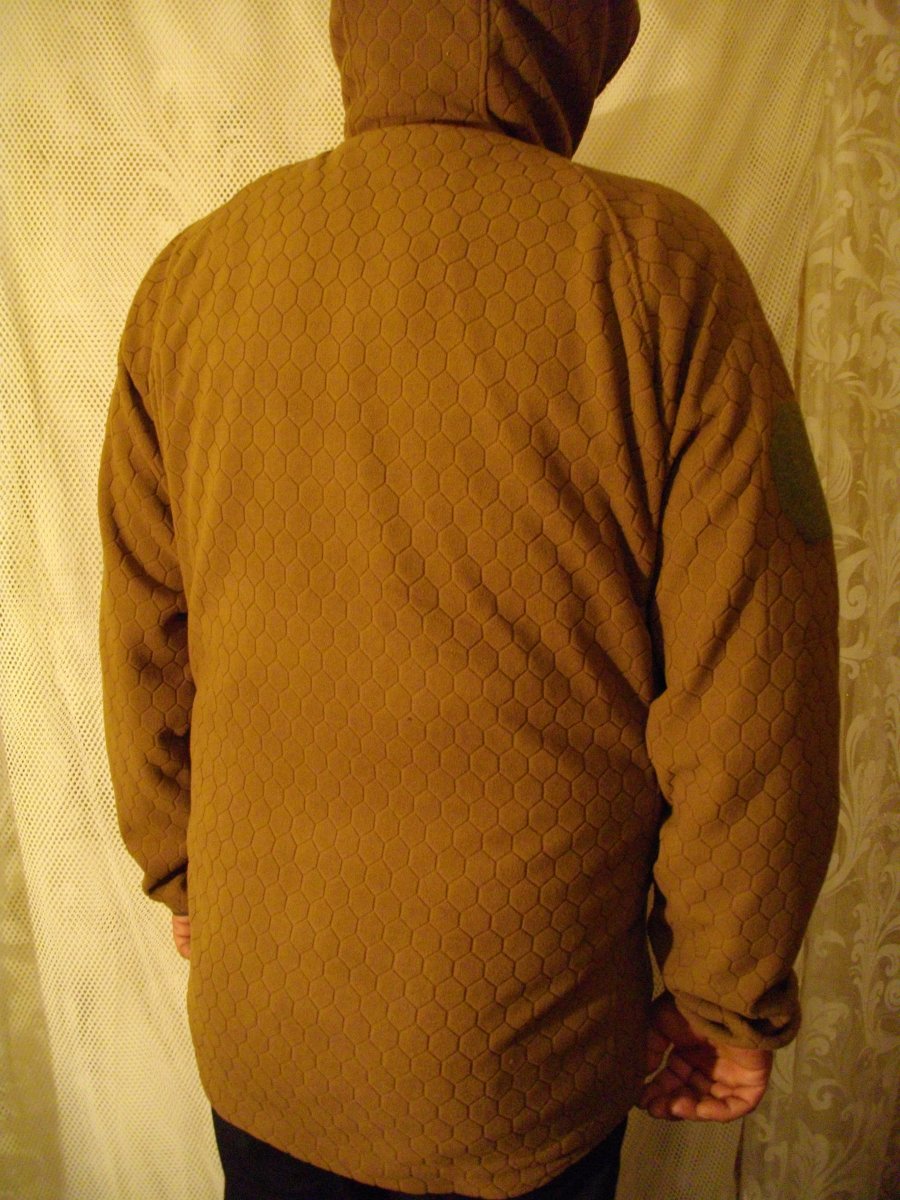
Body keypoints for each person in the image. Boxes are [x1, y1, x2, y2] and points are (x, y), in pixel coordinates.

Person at [98, 2, 840, 1197]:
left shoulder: (192, 278)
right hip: (522, 1060)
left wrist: (184, 868)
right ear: (582, 32)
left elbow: (143, 640)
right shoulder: (662, 270)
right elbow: (757, 688)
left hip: (259, 1026)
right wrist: (724, 993)